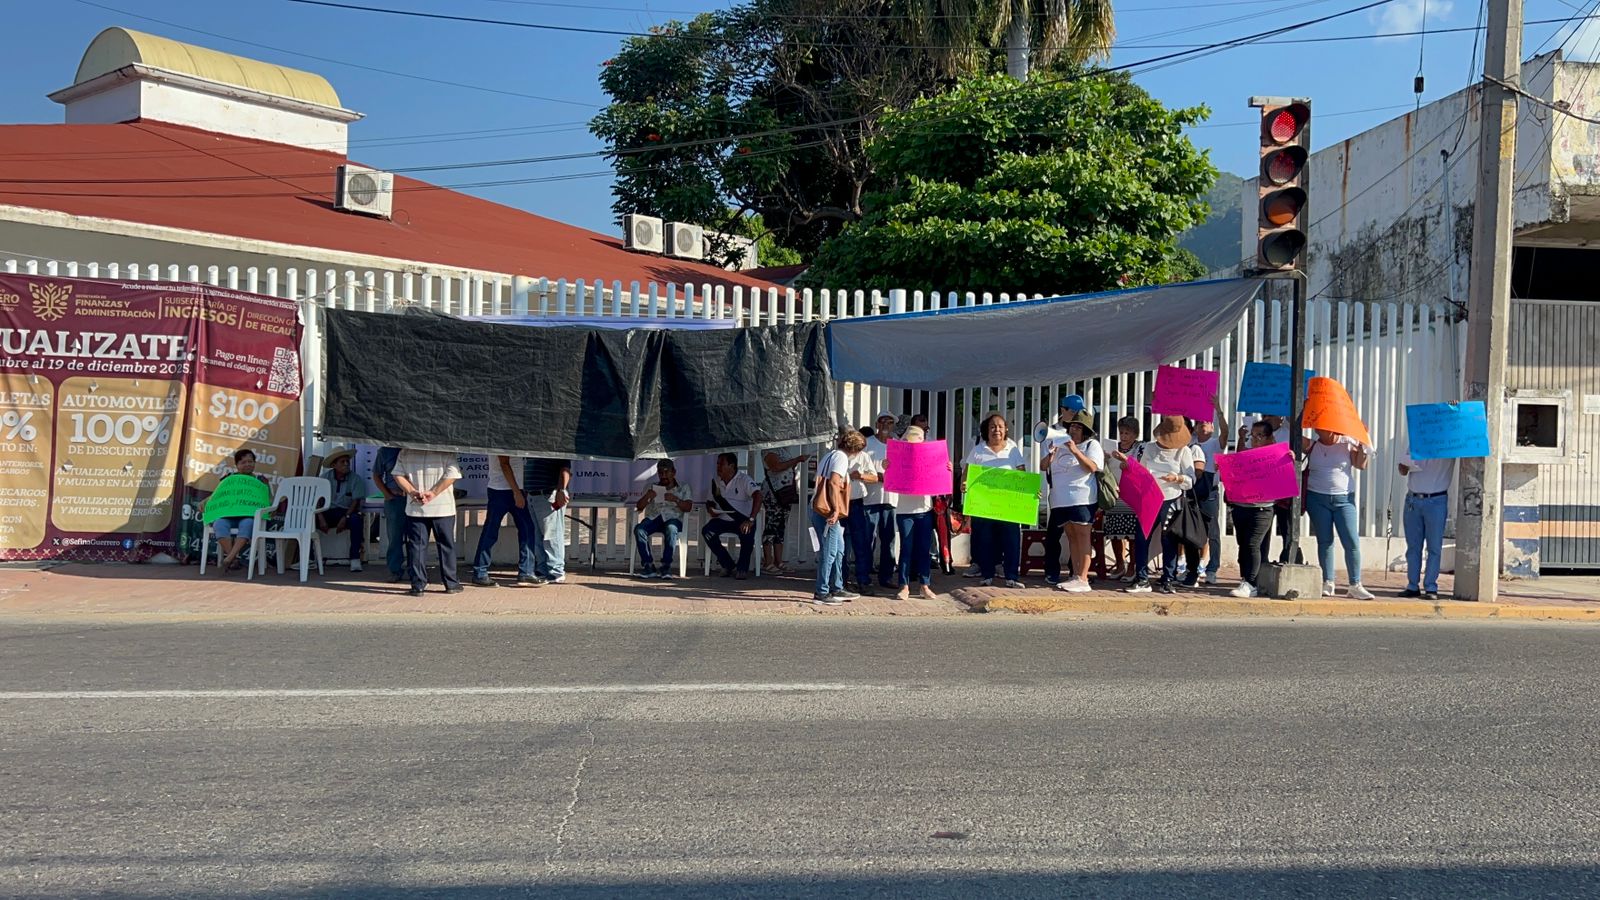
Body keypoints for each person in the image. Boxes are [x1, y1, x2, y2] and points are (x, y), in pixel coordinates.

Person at [1126, 416, 1196, 595]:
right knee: (1141, 538)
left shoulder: (1183, 451)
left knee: (1169, 540)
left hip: (1172, 498)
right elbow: (1141, 471)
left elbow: (1191, 479)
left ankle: (1168, 578)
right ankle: (1142, 578)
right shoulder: (1149, 448)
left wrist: (1177, 478)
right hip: (1149, 498)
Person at [1305, 429, 1375, 599]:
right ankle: (1328, 581)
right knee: (1325, 541)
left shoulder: (1348, 443)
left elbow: (1361, 465)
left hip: (1344, 499)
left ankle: (1355, 584)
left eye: (1323, 427)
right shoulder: (1312, 445)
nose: (1319, 430)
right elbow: (1290, 440)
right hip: (1317, 497)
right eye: (1317, 427)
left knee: (1351, 541)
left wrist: (1363, 444)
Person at [963, 413, 1026, 588]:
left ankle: (1012, 576)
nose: (996, 430)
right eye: (992, 426)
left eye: (1000, 426)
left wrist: (1030, 491)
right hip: (984, 505)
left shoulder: (1013, 449)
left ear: (1006, 429)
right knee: (985, 540)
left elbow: (1022, 475)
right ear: (986, 430)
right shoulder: (978, 450)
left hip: (1008, 505)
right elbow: (967, 474)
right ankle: (987, 575)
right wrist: (964, 484)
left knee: (1011, 540)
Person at [884, 425, 947, 601]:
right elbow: (889, 476)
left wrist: (946, 469)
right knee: (906, 548)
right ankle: (904, 585)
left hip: (924, 510)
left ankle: (924, 585)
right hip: (905, 511)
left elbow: (940, 479)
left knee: (924, 549)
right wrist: (886, 467)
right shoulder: (897, 457)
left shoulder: (929, 458)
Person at [1043, 411, 1104, 594]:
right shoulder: (1059, 445)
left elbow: (1092, 467)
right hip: (1060, 499)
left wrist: (1075, 450)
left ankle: (1083, 578)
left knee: (1083, 536)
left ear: (1085, 431)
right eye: (1072, 426)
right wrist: (1051, 454)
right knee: (1071, 536)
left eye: (1078, 427)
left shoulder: (1091, 445)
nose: (1074, 430)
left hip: (1082, 498)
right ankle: (1076, 575)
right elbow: (1043, 466)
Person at [392, 448, 463, 596]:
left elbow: (397, 474)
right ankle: (451, 583)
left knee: (417, 547)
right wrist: (434, 492)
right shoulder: (446, 450)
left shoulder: (406, 451)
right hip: (443, 507)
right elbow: (452, 474)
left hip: (416, 507)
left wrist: (412, 492)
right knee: (446, 546)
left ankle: (418, 586)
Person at [1228, 421, 1280, 598]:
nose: (1255, 439)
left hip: (1262, 508)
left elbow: (1285, 472)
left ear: (1269, 438)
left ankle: (1252, 583)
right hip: (1241, 507)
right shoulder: (1247, 454)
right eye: (1253, 435)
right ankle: (1246, 579)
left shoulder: (1274, 456)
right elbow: (1237, 463)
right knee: (1243, 544)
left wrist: (1289, 457)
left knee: (1253, 544)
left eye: (1260, 436)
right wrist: (1241, 440)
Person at [810, 430, 862, 605]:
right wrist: (836, 509)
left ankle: (837, 586)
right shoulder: (841, 458)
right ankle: (822, 591)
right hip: (827, 510)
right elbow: (833, 482)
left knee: (839, 548)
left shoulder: (831, 455)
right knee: (830, 550)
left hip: (820, 507)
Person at [201, 447, 272, 575]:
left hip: (248, 515)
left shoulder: (260, 481)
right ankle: (233, 559)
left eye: (250, 461)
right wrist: (205, 502)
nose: (248, 464)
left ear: (254, 463)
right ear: (237, 465)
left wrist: (270, 503)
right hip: (227, 515)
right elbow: (218, 495)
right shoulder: (228, 479)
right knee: (219, 524)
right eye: (243, 462)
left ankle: (229, 559)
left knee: (248, 524)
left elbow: (268, 499)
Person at [470, 454, 536, 587]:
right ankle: (480, 572)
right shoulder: (503, 442)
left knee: (526, 529)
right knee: (491, 531)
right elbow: (504, 464)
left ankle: (526, 572)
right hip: (502, 490)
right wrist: (517, 492)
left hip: (509, 489)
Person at [1398, 449, 1455, 600]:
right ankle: (1412, 585)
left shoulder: (1449, 444)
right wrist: (1404, 464)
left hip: (1436, 499)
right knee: (1413, 546)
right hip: (1413, 498)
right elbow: (1402, 470)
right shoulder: (1416, 442)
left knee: (1434, 547)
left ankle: (1431, 586)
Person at [1189, 396, 1229, 586]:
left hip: (1209, 491)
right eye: (1199, 422)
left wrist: (1218, 409)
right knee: (1191, 530)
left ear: (1213, 427)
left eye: (1207, 421)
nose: (1203, 424)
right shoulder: (1190, 442)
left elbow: (1225, 432)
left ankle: (1212, 569)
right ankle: (1191, 567)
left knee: (1213, 532)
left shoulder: (1215, 443)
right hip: (1191, 490)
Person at [703, 452, 762, 579]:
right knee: (707, 531)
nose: (718, 467)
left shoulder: (744, 480)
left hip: (743, 519)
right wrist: (711, 509)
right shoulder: (716, 482)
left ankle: (742, 568)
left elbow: (758, 495)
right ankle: (727, 564)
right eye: (717, 464)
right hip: (722, 519)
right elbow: (709, 501)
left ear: (732, 466)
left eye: (721, 464)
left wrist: (751, 519)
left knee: (747, 533)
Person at [859, 411, 900, 592]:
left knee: (889, 540)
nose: (885, 425)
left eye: (889, 422)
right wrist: (879, 476)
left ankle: (886, 576)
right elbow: (859, 469)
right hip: (870, 499)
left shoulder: (898, 444)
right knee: (867, 540)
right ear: (876, 424)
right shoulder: (867, 444)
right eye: (882, 421)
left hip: (891, 499)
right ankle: (864, 577)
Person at [634, 459, 694, 579]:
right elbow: (639, 507)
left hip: (673, 518)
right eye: (661, 473)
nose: (664, 476)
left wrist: (675, 499)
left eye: (667, 472)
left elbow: (688, 507)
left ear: (674, 472)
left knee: (671, 529)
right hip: (654, 518)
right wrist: (648, 496)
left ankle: (666, 566)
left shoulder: (684, 487)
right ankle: (648, 565)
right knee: (639, 530)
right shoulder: (651, 486)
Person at [1104, 416, 1144, 581]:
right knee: (1115, 532)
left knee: (1132, 534)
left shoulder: (1140, 448)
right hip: (1115, 493)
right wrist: (1105, 459)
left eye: (1127, 433)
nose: (1124, 436)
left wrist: (1127, 463)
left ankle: (1132, 566)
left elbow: (1143, 468)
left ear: (1135, 434)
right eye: (1121, 432)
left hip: (1132, 494)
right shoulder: (1113, 448)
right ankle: (1120, 564)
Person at [316, 447, 368, 573]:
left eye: (347, 461)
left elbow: (356, 502)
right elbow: (317, 501)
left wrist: (346, 517)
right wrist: (321, 518)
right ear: (334, 465)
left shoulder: (355, 479)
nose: (346, 464)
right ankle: (309, 558)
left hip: (346, 512)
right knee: (307, 520)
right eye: (342, 462)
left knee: (356, 520)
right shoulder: (324, 478)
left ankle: (355, 558)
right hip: (327, 512)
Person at [523, 457, 571, 585]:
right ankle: (542, 569)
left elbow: (565, 468)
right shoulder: (530, 450)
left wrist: (561, 490)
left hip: (548, 495)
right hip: (532, 495)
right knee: (537, 537)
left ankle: (556, 572)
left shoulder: (555, 449)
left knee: (552, 536)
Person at [761, 445, 808, 575]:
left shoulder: (783, 449)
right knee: (771, 526)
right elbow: (776, 467)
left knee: (781, 527)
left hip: (785, 492)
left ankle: (779, 561)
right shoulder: (769, 450)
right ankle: (768, 561)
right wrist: (796, 460)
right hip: (774, 493)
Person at [370, 446, 409, 583]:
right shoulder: (385, 451)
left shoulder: (415, 448)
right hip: (395, 498)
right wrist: (387, 494)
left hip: (414, 498)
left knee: (415, 536)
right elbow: (376, 475)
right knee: (394, 537)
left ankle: (415, 570)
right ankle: (395, 570)